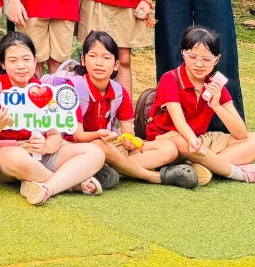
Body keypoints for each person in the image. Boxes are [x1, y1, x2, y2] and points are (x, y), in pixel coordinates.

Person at [0, 30, 107, 205]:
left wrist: (45, 146)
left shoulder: (42, 89)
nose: (21, 66)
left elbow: (54, 136)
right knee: (15, 157)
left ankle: (46, 187)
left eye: (26, 59)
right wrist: (0, 123)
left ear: (35, 61)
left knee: (95, 153)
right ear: (3, 64)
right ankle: (71, 184)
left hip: (39, 154)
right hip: (6, 153)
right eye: (13, 61)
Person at [145, 25, 255, 184]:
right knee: (181, 142)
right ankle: (237, 173)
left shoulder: (215, 85)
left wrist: (216, 105)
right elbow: (179, 121)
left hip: (198, 139)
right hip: (168, 138)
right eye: (192, 57)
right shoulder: (171, 78)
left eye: (207, 59)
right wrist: (191, 140)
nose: (199, 64)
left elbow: (241, 133)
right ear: (183, 53)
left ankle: (203, 168)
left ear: (217, 59)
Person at [69, 30, 197, 188]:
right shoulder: (73, 89)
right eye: (92, 56)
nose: (99, 63)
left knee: (169, 148)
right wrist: (98, 134)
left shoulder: (119, 91)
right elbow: (78, 137)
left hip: (110, 148)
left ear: (116, 65)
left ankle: (109, 168)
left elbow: (127, 131)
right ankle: (154, 177)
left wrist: (128, 139)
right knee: (99, 146)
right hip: (79, 148)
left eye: (106, 58)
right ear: (83, 60)